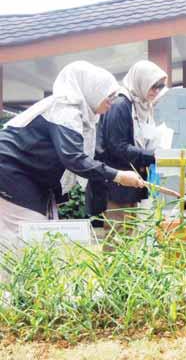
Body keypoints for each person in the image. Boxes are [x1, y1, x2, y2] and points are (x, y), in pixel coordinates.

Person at [0, 61, 144, 249]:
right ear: (92, 90)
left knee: (34, 233)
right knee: (26, 231)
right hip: (12, 171)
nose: (112, 101)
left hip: (29, 177)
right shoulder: (65, 110)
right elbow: (74, 158)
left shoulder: (82, 115)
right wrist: (118, 175)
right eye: (108, 95)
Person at [87, 60, 168, 225]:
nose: (156, 90)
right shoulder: (120, 104)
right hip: (115, 186)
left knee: (129, 233)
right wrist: (152, 155)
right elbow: (117, 147)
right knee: (118, 235)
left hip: (130, 184)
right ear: (141, 81)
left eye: (160, 86)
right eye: (153, 85)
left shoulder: (140, 106)